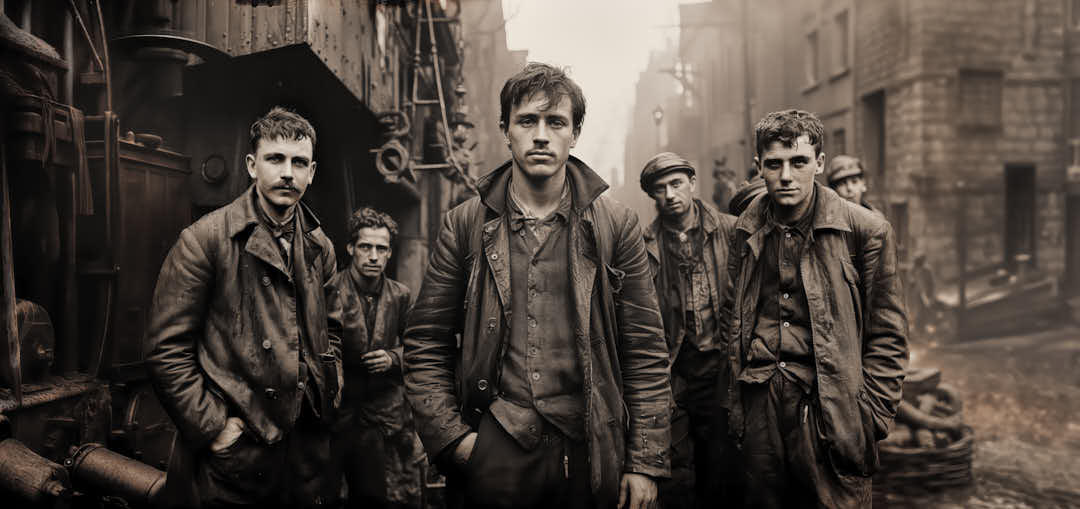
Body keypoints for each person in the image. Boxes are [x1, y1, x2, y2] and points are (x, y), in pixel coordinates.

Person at [402, 62, 671, 509]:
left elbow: (644, 351)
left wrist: (643, 462)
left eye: (556, 122)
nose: (541, 135)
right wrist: (457, 443)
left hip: (590, 449)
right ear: (506, 129)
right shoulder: (466, 224)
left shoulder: (615, 225)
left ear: (575, 132)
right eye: (527, 120)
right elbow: (425, 343)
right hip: (496, 451)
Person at [145, 107, 343, 508]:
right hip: (236, 458)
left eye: (299, 162)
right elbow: (166, 350)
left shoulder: (320, 246)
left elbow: (333, 331)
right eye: (276, 159)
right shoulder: (205, 240)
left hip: (303, 453)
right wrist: (215, 427)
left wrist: (328, 395)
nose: (288, 172)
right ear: (253, 166)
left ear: (312, 172)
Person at [726, 109, 909, 508]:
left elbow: (889, 335)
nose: (786, 176)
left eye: (799, 162)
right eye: (774, 164)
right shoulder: (744, 230)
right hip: (762, 407)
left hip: (830, 407)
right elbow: (733, 316)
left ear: (819, 164)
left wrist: (870, 417)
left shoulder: (865, 231)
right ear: (759, 167)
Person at [638, 152, 741, 509]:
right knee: (674, 471)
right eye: (660, 188)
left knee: (720, 468)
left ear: (692, 184)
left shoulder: (730, 230)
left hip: (720, 366)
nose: (670, 194)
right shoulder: (644, 244)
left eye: (676, 184)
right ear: (652, 196)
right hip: (673, 371)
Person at [330, 207, 424, 508]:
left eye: (381, 249)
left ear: (389, 254)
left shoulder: (401, 295)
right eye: (365, 247)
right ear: (350, 249)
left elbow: (421, 347)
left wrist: (394, 358)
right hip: (336, 412)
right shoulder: (329, 291)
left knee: (375, 494)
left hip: (382, 415)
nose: (373, 256)